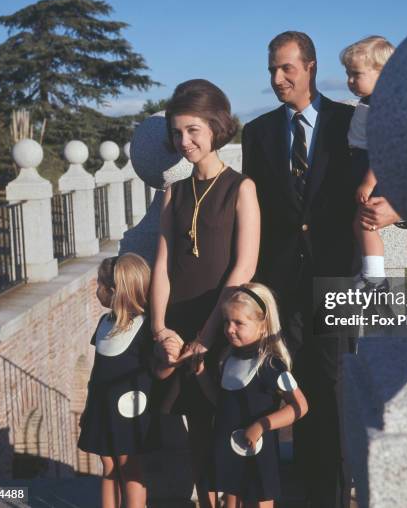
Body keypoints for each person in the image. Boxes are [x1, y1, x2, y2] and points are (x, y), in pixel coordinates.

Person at [242, 30, 401, 507]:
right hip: (280, 286)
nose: (277, 78)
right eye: (272, 69)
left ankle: (331, 498)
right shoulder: (257, 133)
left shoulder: (351, 121)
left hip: (336, 277)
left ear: (309, 67)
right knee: (287, 391)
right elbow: (253, 211)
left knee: (330, 394)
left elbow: (397, 167)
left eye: (287, 68)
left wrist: (395, 210)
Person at [150, 79, 260, 507]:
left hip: (224, 326)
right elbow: (161, 265)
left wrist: (207, 335)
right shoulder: (172, 192)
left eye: (193, 130)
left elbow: (243, 268)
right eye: (177, 132)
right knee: (194, 431)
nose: (184, 141)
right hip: (177, 327)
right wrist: (160, 329)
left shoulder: (241, 188)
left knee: (227, 428)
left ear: (215, 127)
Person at [200, 283, 308, 508]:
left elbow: (299, 406)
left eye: (238, 323)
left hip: (259, 454)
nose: (230, 329)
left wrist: (261, 425)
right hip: (230, 450)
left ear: (262, 325)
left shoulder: (270, 365)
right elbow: (220, 402)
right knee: (231, 500)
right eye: (227, 322)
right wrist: (200, 374)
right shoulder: (226, 360)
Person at [78, 253, 157, 508]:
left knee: (129, 466)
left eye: (100, 285)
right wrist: (89, 409)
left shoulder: (145, 329)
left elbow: (157, 371)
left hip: (129, 412)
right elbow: (97, 372)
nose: (96, 289)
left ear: (114, 291)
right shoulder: (104, 322)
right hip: (101, 406)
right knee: (108, 464)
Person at [340, 35, 395, 291]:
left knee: (364, 223)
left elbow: (383, 148)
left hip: (371, 169)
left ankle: (375, 276)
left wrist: (367, 182)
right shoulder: (368, 103)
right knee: (359, 223)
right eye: (348, 74)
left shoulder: (383, 107)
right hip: (359, 162)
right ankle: (371, 274)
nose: (349, 81)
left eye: (356, 74)